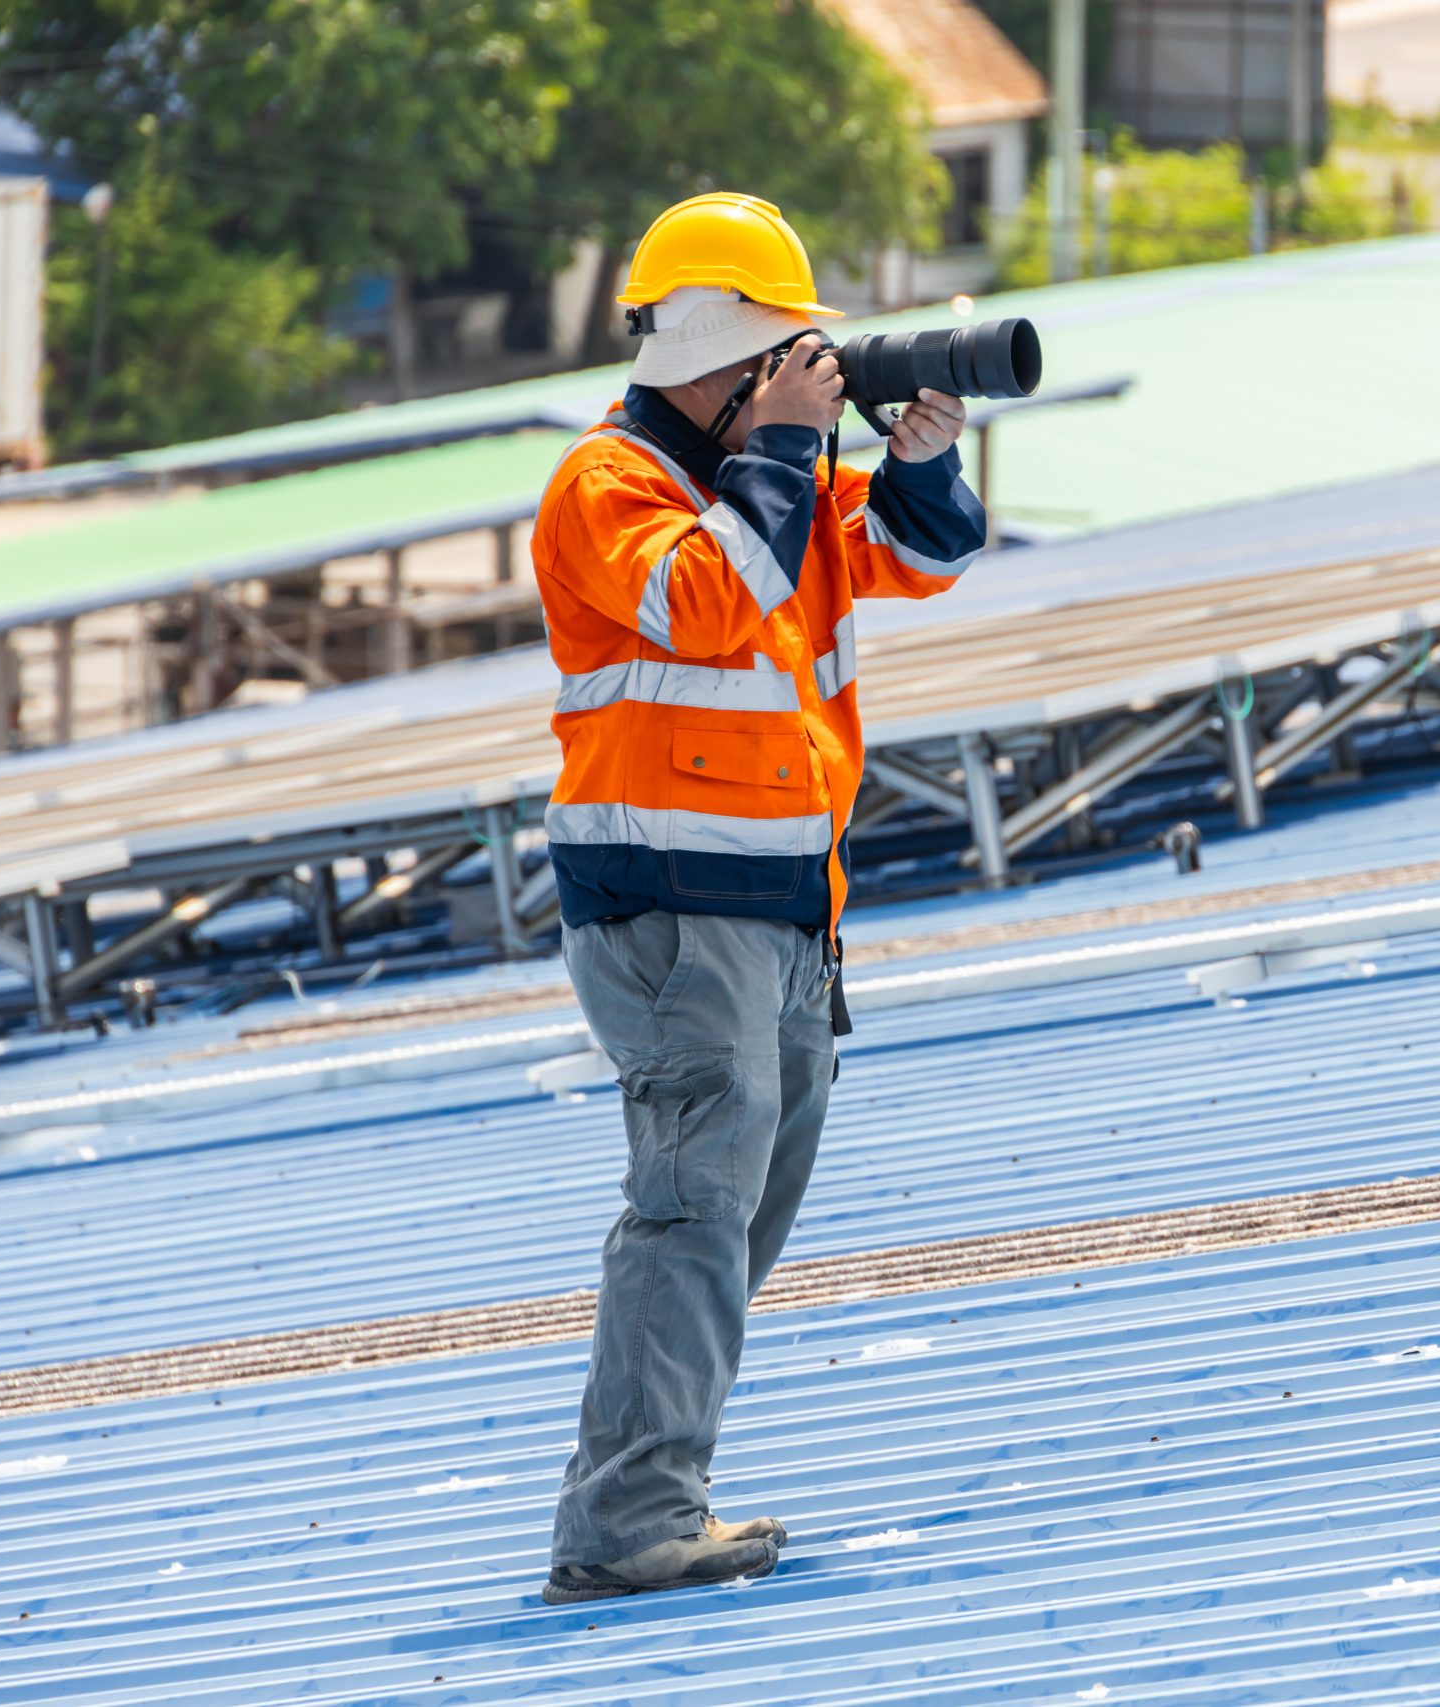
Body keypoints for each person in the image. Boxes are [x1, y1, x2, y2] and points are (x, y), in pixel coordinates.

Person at [529, 193, 984, 1604]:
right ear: (727, 362)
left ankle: (648, 1498)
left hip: (787, 914)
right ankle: (626, 1526)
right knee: (690, 1214)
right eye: (790, 361)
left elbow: (922, 559)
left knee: (735, 1221)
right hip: (671, 916)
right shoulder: (608, 490)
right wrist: (785, 449)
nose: (813, 383)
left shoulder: (777, 491)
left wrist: (914, 460)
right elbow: (707, 605)